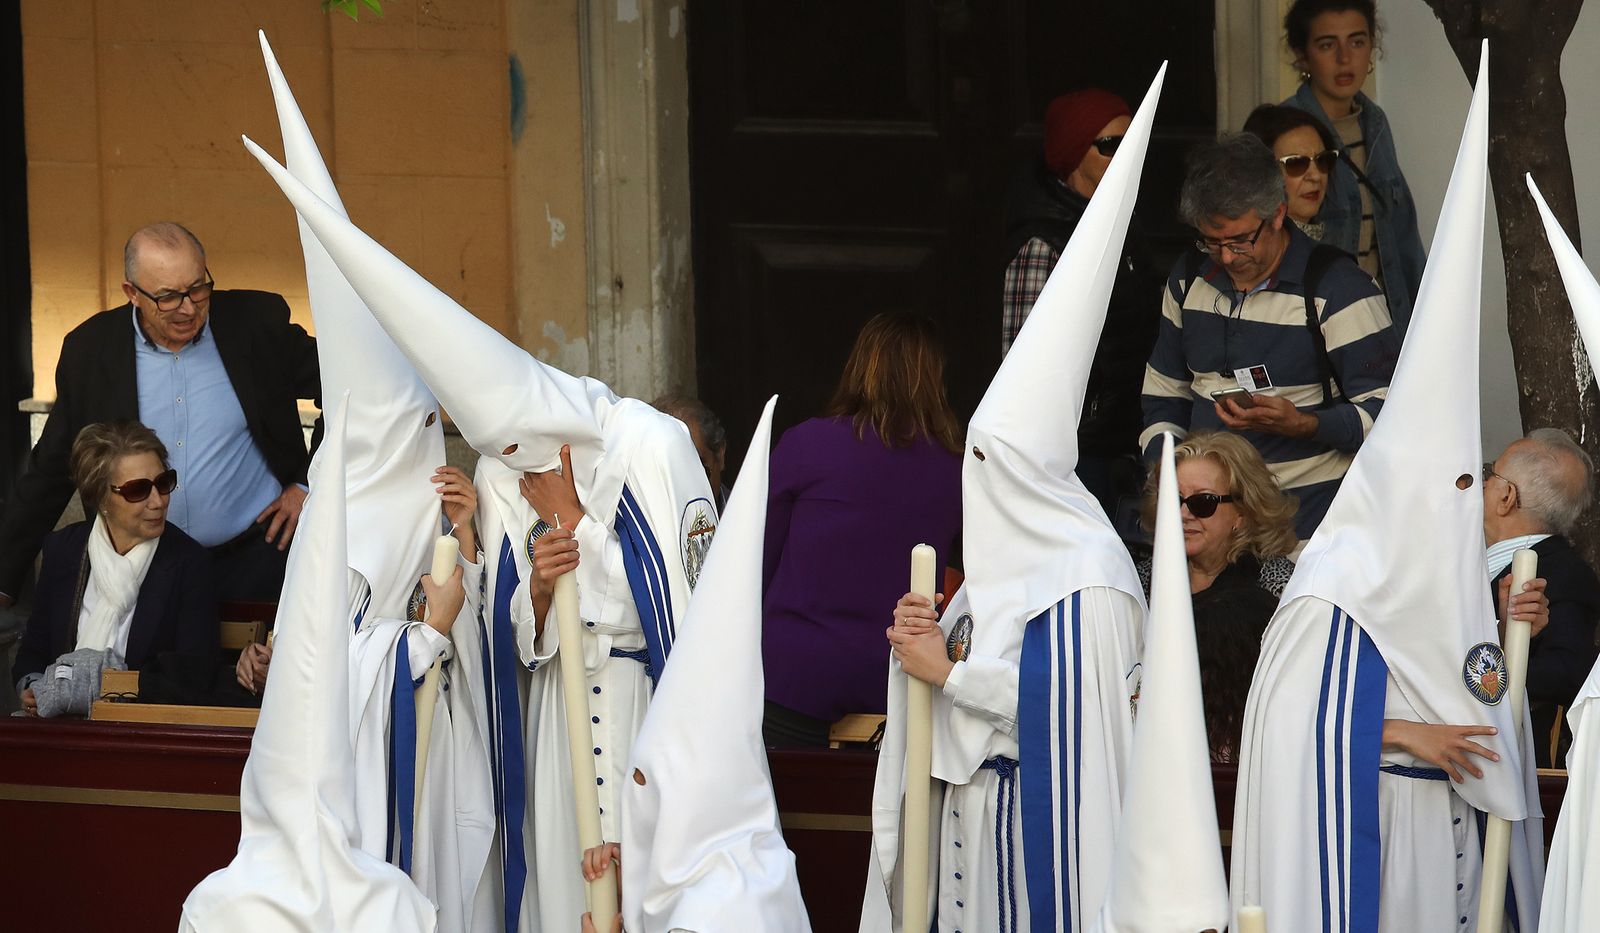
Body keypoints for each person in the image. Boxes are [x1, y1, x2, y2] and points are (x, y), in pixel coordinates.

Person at [246, 136, 719, 933]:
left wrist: (575, 523)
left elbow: (692, 611)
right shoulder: (503, 477)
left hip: (641, 709)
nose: (512, 469)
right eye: (501, 452)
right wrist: (533, 590)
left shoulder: (651, 446)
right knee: (559, 898)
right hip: (553, 729)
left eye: (524, 449)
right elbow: (510, 635)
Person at [1230, 69, 1551, 931]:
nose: (1462, 504)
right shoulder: (1329, 589)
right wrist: (1417, 739)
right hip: (1365, 842)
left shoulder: (1447, 571)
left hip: (1445, 843)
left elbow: (1486, 684)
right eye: (1448, 487)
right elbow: (1289, 725)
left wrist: (1511, 618)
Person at [862, 65, 1164, 933]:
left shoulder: (1093, 573)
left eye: (993, 461)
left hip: (1044, 845)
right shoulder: (997, 572)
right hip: (971, 832)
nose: (977, 479)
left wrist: (949, 672)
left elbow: (1081, 708)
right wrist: (918, 642)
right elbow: (941, 690)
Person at [0, 222, 320, 608]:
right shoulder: (91, 350)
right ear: (132, 293)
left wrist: (308, 485)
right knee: (150, 671)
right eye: (167, 297)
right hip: (142, 568)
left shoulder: (255, 324)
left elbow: (348, 387)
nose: (188, 308)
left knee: (254, 668)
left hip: (256, 557)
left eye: (198, 288)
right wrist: (5, 577)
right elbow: (52, 467)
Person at [1140, 132, 1399, 541]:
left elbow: (1392, 415)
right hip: (1204, 532)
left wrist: (1306, 424)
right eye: (1211, 242)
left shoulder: (1340, 289)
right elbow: (1163, 393)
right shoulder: (1189, 277)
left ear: (1278, 214)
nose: (1226, 257)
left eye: (1240, 241)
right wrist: (1170, 474)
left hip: (1309, 533)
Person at [761, 312, 963, 748]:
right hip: (894, 680)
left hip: (793, 675)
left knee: (777, 813)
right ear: (934, 381)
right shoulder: (956, 468)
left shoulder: (807, 444)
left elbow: (754, 562)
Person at [1001, 88, 1162, 518]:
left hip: (1127, 440)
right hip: (1074, 453)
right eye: (1109, 145)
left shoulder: (1125, 222)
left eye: (1131, 142)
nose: (1123, 154)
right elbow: (1023, 368)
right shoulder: (1042, 243)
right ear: (1074, 153)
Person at [15, 422, 218, 716]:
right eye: (138, 490)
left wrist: (101, 687)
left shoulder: (189, 563)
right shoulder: (63, 550)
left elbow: (193, 675)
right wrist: (33, 687)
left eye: (163, 483)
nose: (158, 501)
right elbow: (34, 650)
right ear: (101, 498)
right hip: (58, 723)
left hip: (140, 730)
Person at [1135, 431, 1297, 761]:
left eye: (1202, 502)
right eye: (1172, 499)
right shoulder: (1138, 583)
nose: (1182, 514)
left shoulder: (1280, 591)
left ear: (1243, 512)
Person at [1283, 0, 1426, 333]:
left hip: (1384, 323)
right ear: (1303, 54)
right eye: (1327, 44)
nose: (1344, 58)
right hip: (1318, 326)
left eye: (1357, 42)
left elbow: (1403, 237)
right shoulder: (1285, 130)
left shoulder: (1376, 124)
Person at [1484, 429, 1600, 768]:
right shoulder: (1469, 563)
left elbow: (1570, 673)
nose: (1482, 482)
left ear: (1507, 497)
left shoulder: (1563, 574)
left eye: (1489, 473)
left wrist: (1482, 674)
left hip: (1503, 762)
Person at [1243, 103, 1340, 240]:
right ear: (1259, 174)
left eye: (1323, 160)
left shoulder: (1332, 247)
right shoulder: (1244, 252)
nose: (1316, 176)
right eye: (1296, 163)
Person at [651, 393, 729, 509]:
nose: (684, 490)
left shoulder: (754, 520)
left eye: (697, 469)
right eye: (668, 475)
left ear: (719, 454)